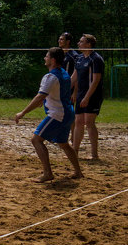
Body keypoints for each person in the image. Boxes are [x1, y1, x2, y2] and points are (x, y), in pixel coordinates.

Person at [14, 47, 83, 183]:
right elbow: (57, 92)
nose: (44, 58)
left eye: (46, 56)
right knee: (64, 143)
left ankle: (47, 173)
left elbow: (40, 96)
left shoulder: (50, 77)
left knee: (36, 140)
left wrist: (22, 113)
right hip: (68, 112)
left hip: (58, 114)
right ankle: (78, 172)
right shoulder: (63, 73)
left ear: (52, 60)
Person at [71, 33, 104, 160]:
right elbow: (73, 78)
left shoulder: (96, 59)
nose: (78, 43)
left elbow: (96, 80)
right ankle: (74, 151)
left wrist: (87, 97)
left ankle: (94, 154)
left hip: (93, 95)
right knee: (78, 122)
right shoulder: (79, 59)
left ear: (88, 44)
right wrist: (62, 90)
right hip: (80, 94)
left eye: (81, 41)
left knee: (89, 122)